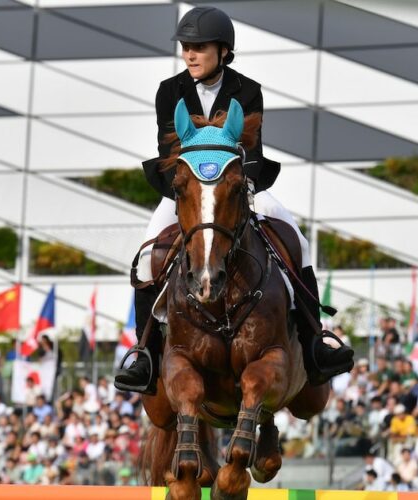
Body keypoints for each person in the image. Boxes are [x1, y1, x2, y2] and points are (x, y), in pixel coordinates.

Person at [115, 6, 353, 394]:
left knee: (301, 243)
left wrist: (241, 189)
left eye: (199, 47)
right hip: (188, 191)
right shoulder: (169, 91)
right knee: (145, 258)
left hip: (240, 188)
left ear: (223, 50)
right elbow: (167, 153)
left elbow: (253, 153)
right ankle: (145, 353)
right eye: (186, 47)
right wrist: (186, 193)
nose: (190, 54)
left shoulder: (247, 90)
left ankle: (314, 344)